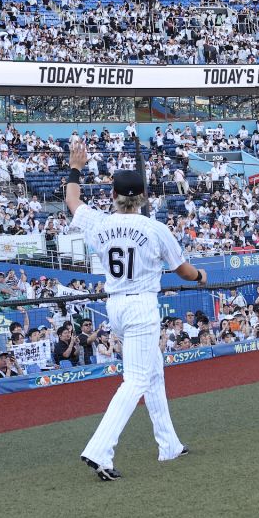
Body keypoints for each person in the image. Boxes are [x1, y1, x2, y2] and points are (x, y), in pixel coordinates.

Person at [64, 139, 206, 481]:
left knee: (153, 374)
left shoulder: (99, 223)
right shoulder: (154, 228)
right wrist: (201, 275)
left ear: (114, 195)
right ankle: (100, 450)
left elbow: (71, 200)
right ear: (142, 197)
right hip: (141, 304)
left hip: (116, 306)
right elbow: (183, 270)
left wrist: (76, 168)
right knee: (137, 380)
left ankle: (169, 444)